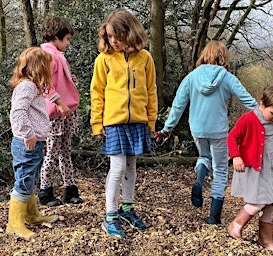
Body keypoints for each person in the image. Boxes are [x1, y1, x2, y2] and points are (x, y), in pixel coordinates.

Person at [155, 40, 258, 225]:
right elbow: (247, 100)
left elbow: (178, 105)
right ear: (223, 57)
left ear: (205, 54)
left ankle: (200, 176)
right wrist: (263, 114)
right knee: (220, 170)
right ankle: (213, 217)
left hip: (197, 128)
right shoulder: (227, 77)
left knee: (203, 155)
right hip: (218, 130)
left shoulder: (192, 77)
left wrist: (166, 129)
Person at [90, 9, 158, 239]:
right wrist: (96, 123)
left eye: (117, 35)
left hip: (138, 121)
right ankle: (110, 216)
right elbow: (97, 92)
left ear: (130, 32)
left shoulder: (145, 58)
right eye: (109, 36)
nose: (113, 41)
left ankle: (126, 208)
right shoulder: (104, 60)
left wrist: (151, 120)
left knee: (131, 166)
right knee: (117, 167)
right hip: (114, 122)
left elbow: (151, 91)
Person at [227, 85, 273, 253]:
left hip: (271, 165)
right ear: (262, 104)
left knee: (270, 202)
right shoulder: (248, 119)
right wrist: (236, 156)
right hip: (256, 167)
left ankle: (266, 239)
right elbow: (232, 136)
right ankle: (236, 223)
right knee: (259, 200)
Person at [7, 47, 59, 240]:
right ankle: (15, 223)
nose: (50, 71)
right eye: (48, 67)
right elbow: (18, 112)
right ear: (38, 68)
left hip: (34, 142)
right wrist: (28, 134)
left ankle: (31, 215)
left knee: (31, 179)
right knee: (24, 179)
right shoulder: (27, 86)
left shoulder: (32, 87)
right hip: (26, 142)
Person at [38, 16, 82, 207]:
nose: (68, 43)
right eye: (67, 39)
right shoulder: (48, 57)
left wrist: (69, 79)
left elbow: (59, 82)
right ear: (56, 37)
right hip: (56, 114)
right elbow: (47, 86)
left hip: (66, 112)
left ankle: (70, 189)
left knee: (65, 152)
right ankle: (45, 191)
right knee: (51, 153)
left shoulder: (58, 56)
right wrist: (61, 104)